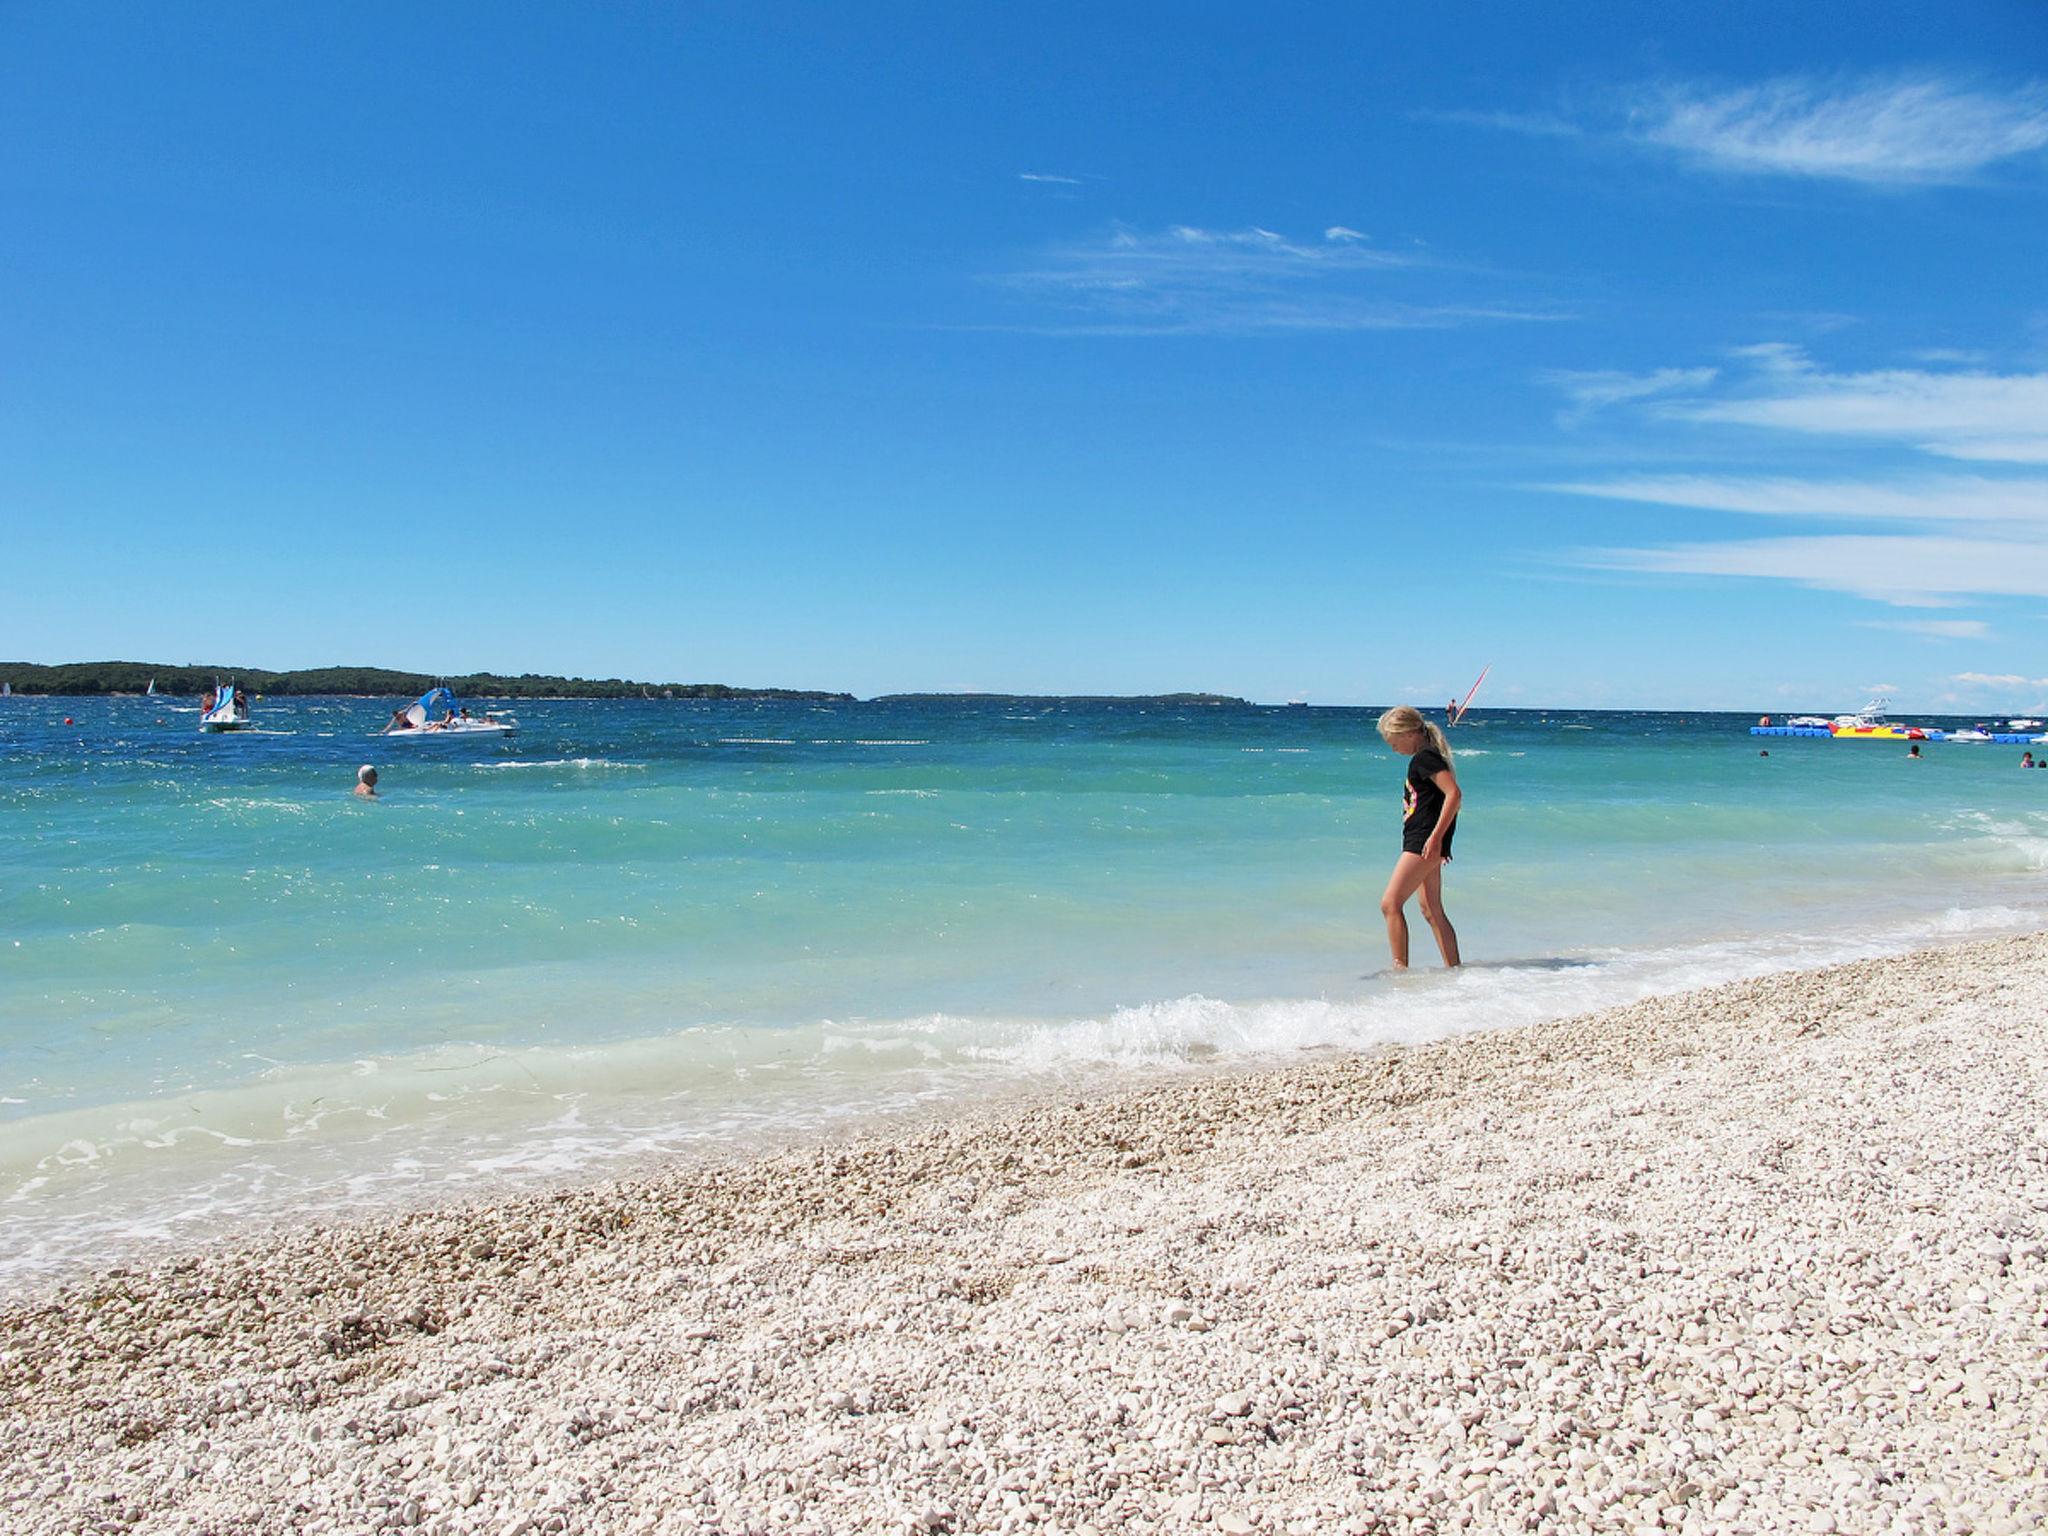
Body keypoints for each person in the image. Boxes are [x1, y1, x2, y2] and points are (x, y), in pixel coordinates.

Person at [1376, 705, 1462, 970]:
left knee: (1390, 904)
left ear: (1411, 733)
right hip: (1425, 841)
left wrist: (1436, 839)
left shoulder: (1425, 758)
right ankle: (1455, 971)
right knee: (1431, 910)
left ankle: (1399, 969)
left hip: (1422, 842)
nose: (1392, 748)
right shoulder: (1427, 757)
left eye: (1393, 741)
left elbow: (1454, 795)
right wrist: (1439, 841)